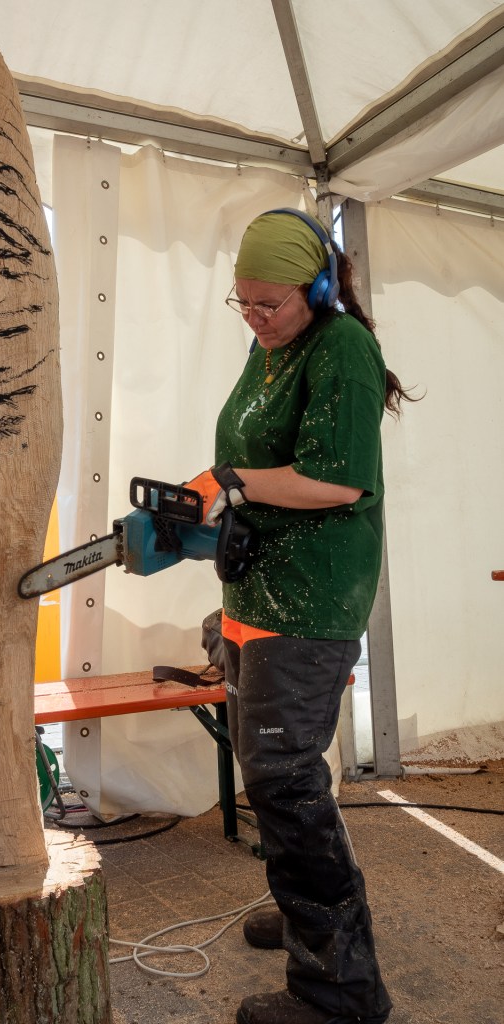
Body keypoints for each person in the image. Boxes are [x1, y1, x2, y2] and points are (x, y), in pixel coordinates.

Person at [185, 208, 414, 1024]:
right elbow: (252, 455)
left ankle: (337, 989)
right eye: (241, 301)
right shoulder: (270, 346)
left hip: (310, 596)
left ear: (315, 289)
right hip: (257, 589)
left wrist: (230, 484)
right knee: (269, 773)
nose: (253, 316)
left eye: (269, 303)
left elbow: (337, 480)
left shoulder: (340, 345)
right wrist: (209, 495)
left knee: (284, 780)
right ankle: (305, 915)